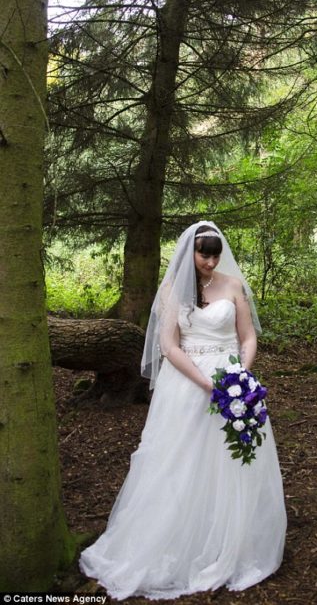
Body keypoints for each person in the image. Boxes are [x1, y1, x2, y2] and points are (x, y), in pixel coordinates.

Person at [79, 220, 287, 600]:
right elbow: (170, 346)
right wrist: (207, 384)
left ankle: (233, 539)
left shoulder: (233, 285)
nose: (210, 261)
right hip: (188, 385)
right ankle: (179, 537)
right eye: (204, 254)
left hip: (233, 382)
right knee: (181, 461)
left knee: (232, 460)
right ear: (189, 252)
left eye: (215, 254)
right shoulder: (172, 290)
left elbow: (248, 336)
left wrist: (240, 374)